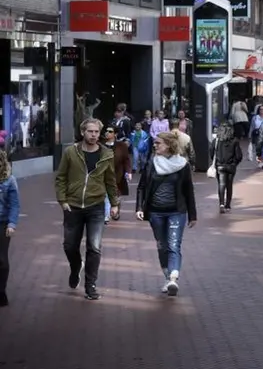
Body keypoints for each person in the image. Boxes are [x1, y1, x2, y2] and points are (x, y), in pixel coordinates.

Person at [54, 118, 120, 300]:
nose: (94, 135)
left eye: (97, 132)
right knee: (69, 246)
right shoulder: (71, 152)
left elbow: (110, 181)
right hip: (73, 206)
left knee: (95, 247)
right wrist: (62, 200)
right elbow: (61, 178)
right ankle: (76, 267)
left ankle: (90, 285)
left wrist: (114, 204)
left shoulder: (106, 154)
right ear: (83, 132)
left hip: (96, 206)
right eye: (90, 131)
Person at [136, 132, 197, 296]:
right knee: (161, 245)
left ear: (169, 145)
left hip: (176, 211)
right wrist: (139, 208)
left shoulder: (182, 165)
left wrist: (192, 215)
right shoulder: (151, 163)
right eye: (154, 143)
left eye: (158, 143)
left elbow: (188, 190)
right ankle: (167, 276)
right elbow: (142, 186)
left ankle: (173, 278)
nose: (154, 146)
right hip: (156, 212)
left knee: (173, 245)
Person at [209, 122, 243, 213]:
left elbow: (212, 153)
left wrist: (216, 162)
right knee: (229, 185)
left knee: (221, 184)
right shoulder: (235, 141)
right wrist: (235, 163)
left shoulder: (216, 141)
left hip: (220, 165)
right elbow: (239, 155)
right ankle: (228, 205)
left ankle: (221, 203)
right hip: (231, 166)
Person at [0, 150, 19, 307]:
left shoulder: (9, 180)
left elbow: (14, 204)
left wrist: (12, 224)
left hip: (2, 222)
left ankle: (1, 291)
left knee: (2, 260)